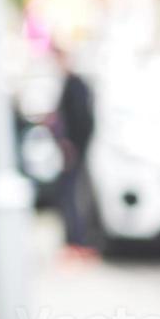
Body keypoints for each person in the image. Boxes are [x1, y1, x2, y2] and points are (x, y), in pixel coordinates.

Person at [50, 42, 97, 260]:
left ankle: (77, 242)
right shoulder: (71, 84)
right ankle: (74, 241)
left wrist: (71, 145)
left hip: (73, 150)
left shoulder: (75, 85)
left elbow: (81, 120)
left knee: (71, 196)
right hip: (71, 149)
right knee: (69, 195)